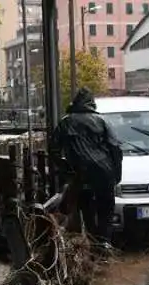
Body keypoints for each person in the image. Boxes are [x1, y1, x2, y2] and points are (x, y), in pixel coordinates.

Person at [51, 87, 123, 245]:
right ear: (92, 103)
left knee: (86, 208)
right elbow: (116, 150)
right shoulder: (102, 121)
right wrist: (117, 175)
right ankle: (103, 244)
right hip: (104, 173)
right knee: (106, 211)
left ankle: (93, 242)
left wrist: (67, 170)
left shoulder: (66, 122)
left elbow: (53, 150)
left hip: (81, 175)